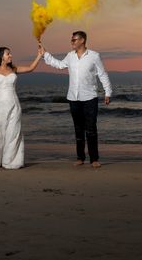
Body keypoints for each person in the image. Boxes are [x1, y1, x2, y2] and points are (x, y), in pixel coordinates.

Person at [40, 30, 112, 168]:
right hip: (73, 97)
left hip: (90, 97)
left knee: (91, 129)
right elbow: (59, 65)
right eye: (71, 39)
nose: (71, 42)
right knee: (78, 129)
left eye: (74, 40)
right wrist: (45, 54)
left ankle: (94, 159)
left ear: (82, 41)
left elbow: (102, 74)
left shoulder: (94, 56)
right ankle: (80, 157)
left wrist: (108, 92)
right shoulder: (70, 56)